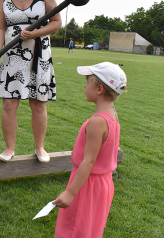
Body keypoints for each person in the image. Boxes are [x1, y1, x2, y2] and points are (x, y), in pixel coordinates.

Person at [0, 0, 62, 163]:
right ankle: (9, 149)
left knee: (38, 102)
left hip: (39, 54)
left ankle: (40, 148)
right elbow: (1, 27)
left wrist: (35, 33)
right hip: (12, 55)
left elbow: (56, 22)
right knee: (9, 103)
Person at [53, 62, 127, 238]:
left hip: (88, 184)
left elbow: (89, 161)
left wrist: (70, 192)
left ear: (100, 89)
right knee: (90, 228)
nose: (85, 86)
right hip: (104, 183)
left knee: (74, 228)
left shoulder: (97, 122)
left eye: (87, 82)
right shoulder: (112, 114)